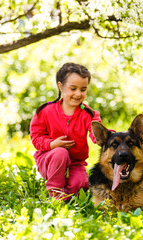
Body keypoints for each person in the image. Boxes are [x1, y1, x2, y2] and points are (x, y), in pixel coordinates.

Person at [30, 62, 101, 202]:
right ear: (61, 86)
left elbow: (97, 133)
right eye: (73, 88)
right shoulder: (44, 111)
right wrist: (52, 144)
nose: (78, 94)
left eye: (83, 89)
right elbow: (36, 138)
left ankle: (68, 187)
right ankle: (56, 193)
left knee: (80, 186)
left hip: (75, 162)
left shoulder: (89, 114)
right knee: (60, 152)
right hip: (49, 160)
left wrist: (111, 138)